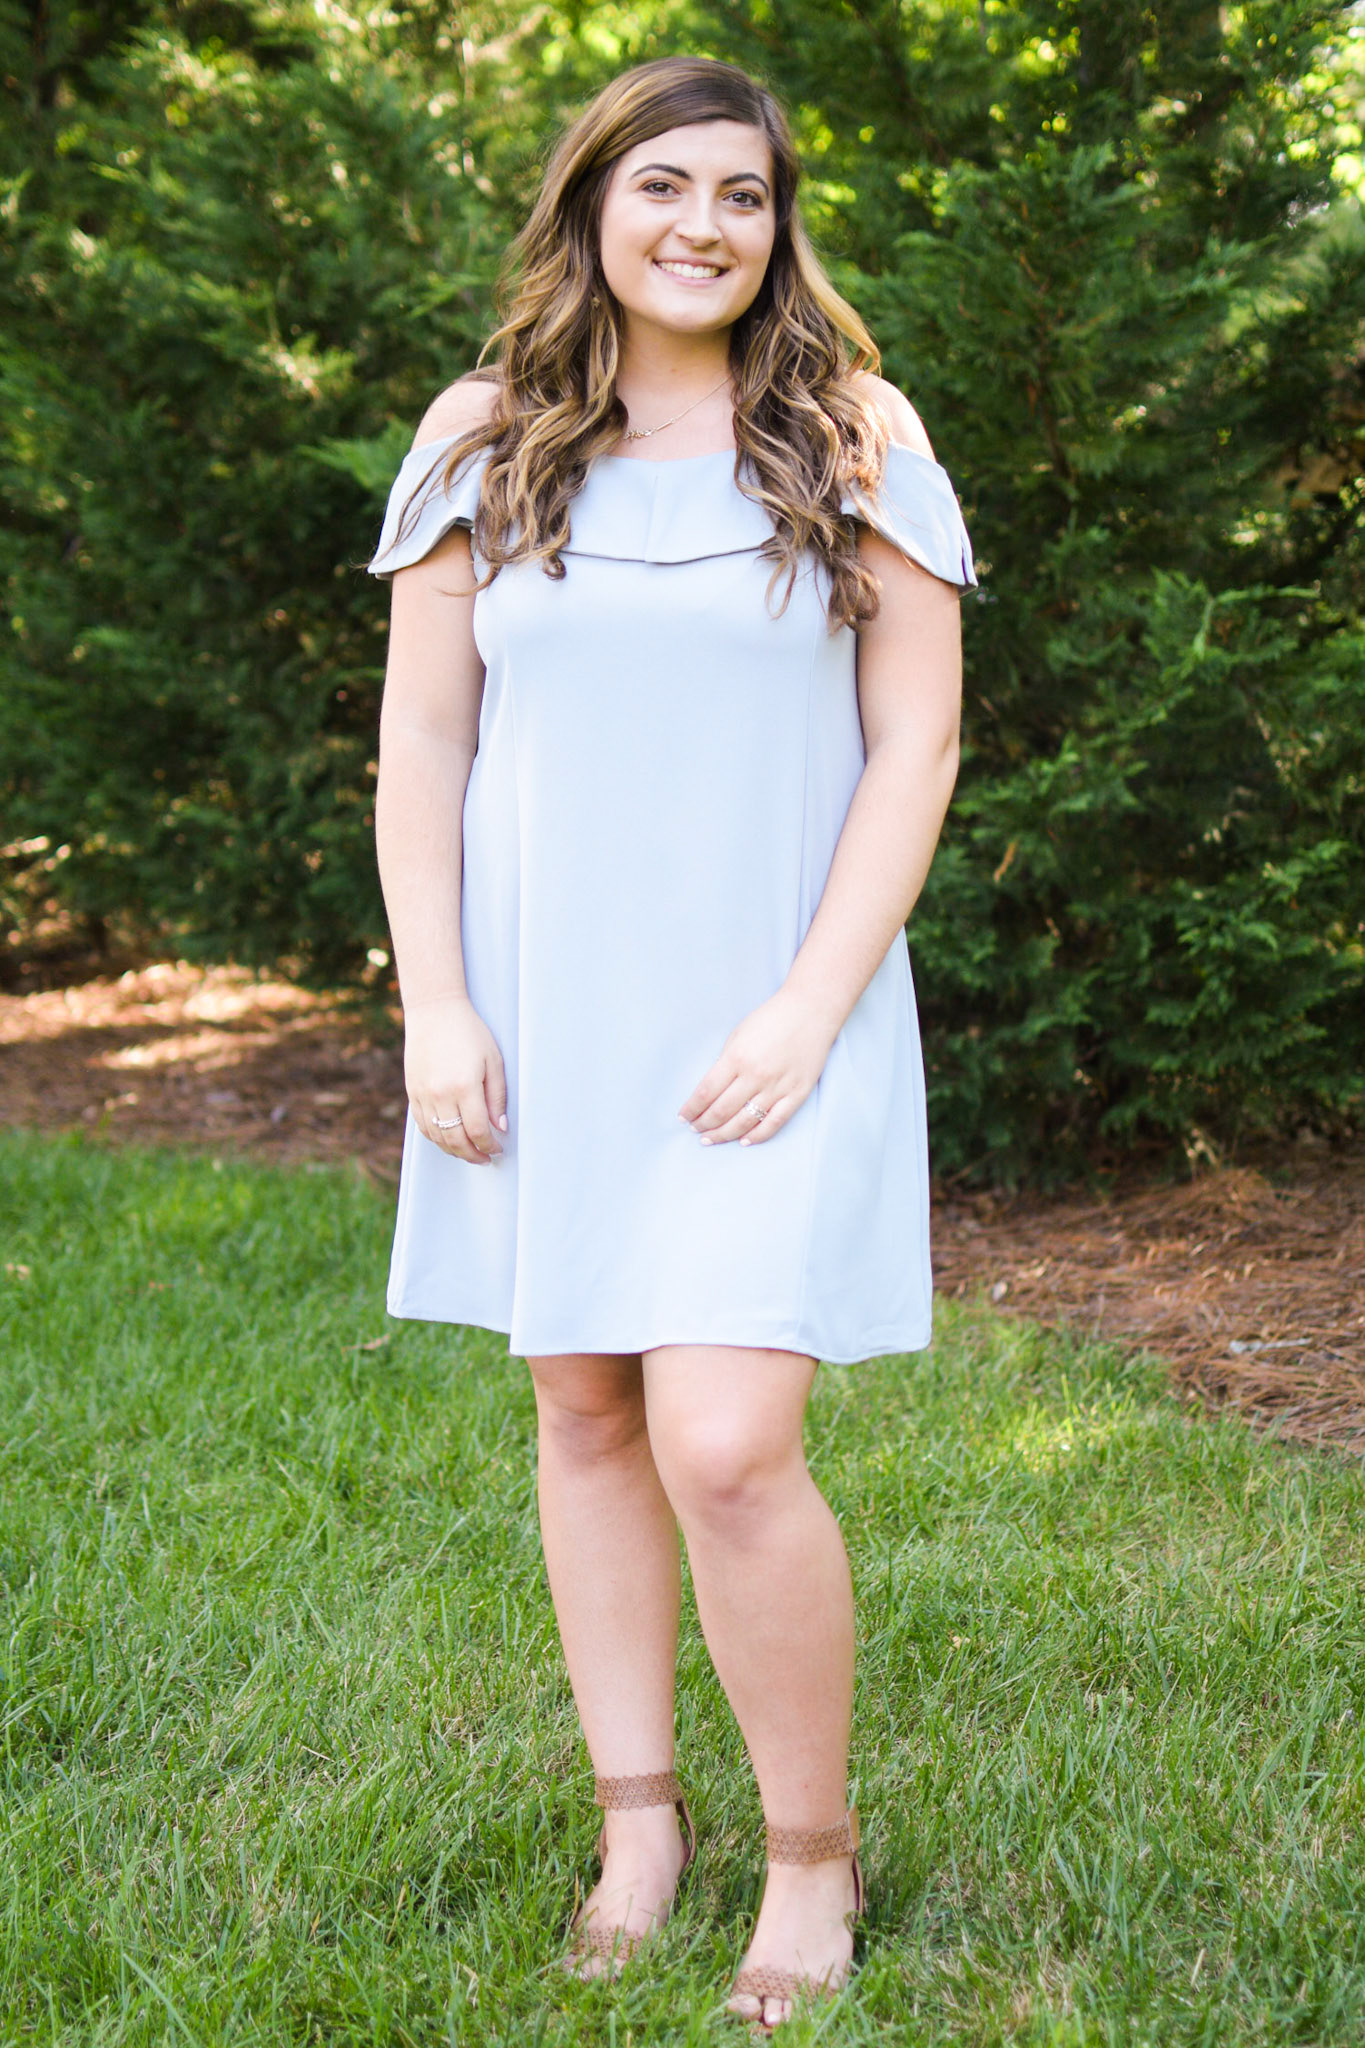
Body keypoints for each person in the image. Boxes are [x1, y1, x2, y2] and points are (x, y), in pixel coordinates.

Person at [366, 52, 976, 2031]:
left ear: (777, 227)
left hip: (772, 1010)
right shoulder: (482, 435)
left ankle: (809, 1854)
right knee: (582, 1408)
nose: (701, 225)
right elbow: (424, 743)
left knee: (725, 1442)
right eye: (661, 186)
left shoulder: (852, 431)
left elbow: (915, 745)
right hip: (543, 1004)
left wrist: (808, 1006)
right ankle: (638, 1824)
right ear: (589, 208)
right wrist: (436, 1003)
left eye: (740, 193)